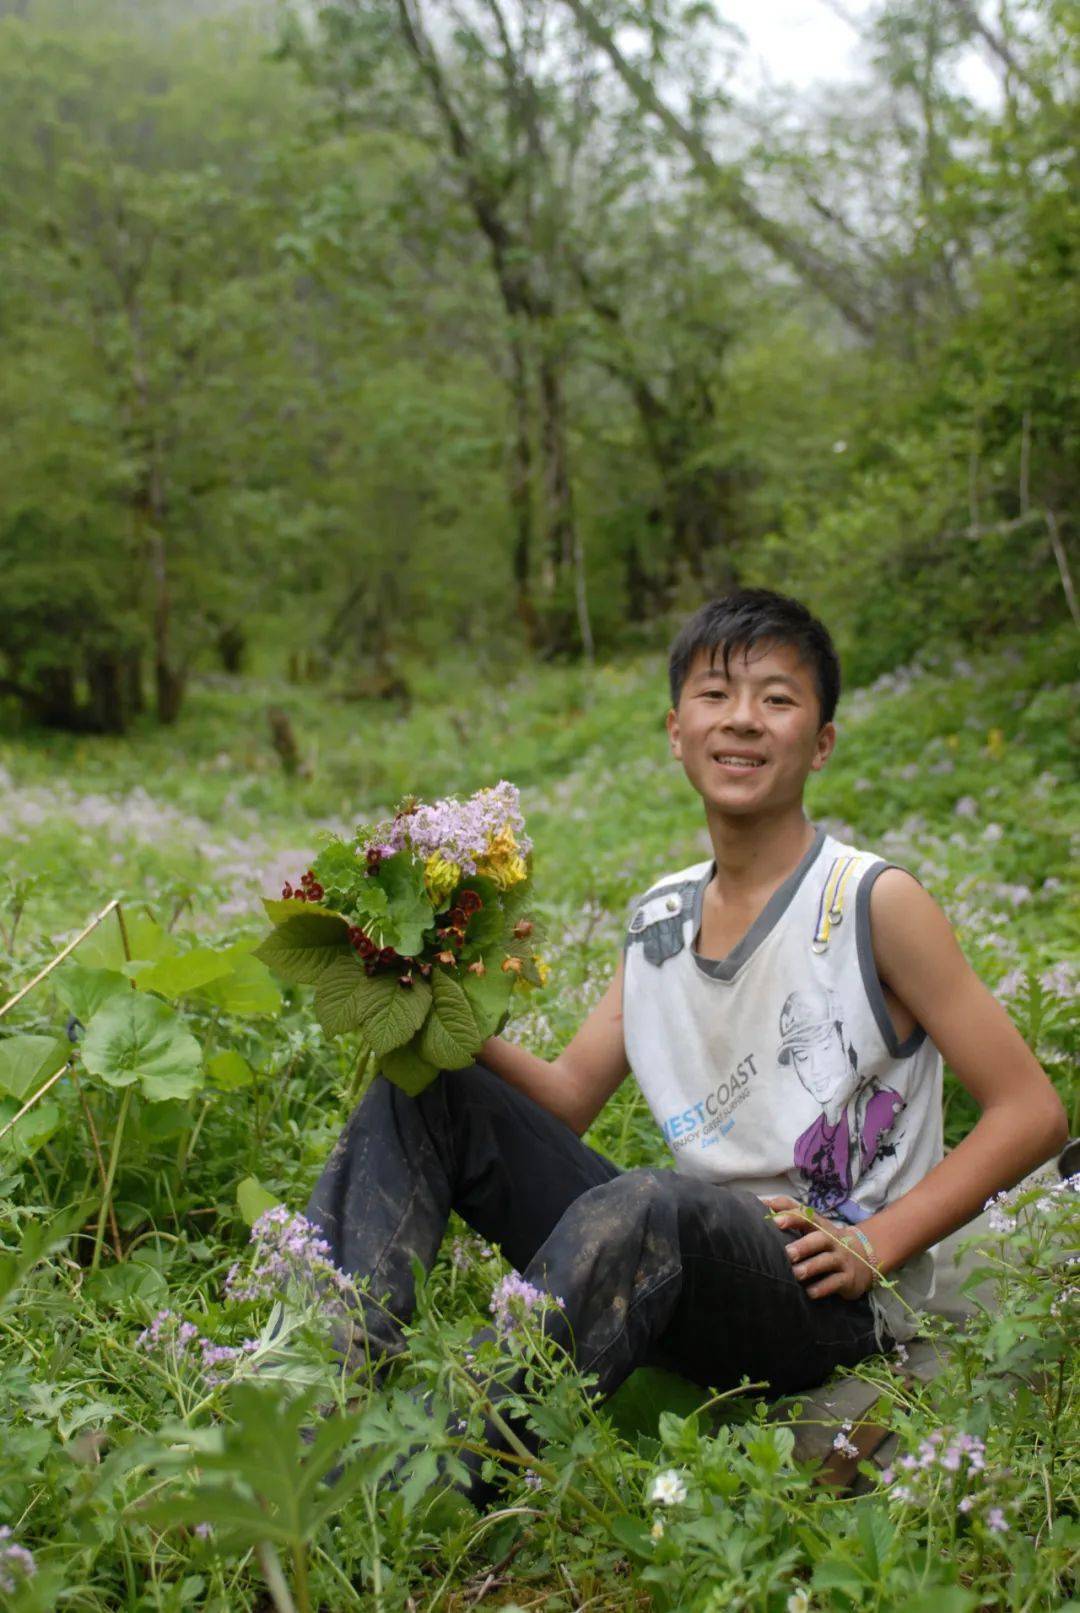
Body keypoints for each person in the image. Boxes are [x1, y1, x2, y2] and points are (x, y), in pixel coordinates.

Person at [305, 588, 1068, 1499]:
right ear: (676, 731)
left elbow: (1032, 1109)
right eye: (715, 695)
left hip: (822, 1293)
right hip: (677, 1270)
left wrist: (880, 1242)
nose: (743, 719)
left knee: (653, 1203)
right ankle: (322, 1401)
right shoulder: (661, 917)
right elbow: (566, 1097)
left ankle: (440, 1477)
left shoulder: (871, 902)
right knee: (425, 1088)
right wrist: (440, 1007)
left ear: (821, 741)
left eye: (778, 698)